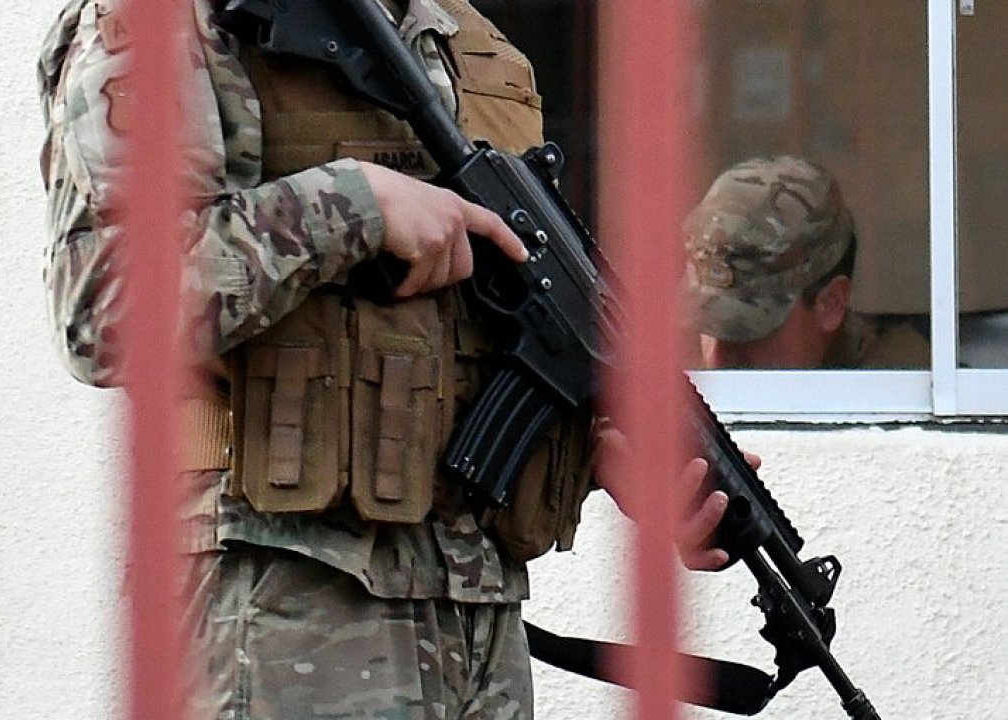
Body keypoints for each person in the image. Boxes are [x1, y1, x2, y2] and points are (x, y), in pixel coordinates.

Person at [39, 1, 734, 717]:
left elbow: (458, 342)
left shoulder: (475, 46)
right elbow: (101, 306)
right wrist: (351, 207)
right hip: (280, 599)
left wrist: (594, 456)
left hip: (479, 622)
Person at [683, 155, 930, 369]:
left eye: (744, 332)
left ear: (832, 303)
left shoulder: (900, 391)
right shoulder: (689, 382)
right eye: (707, 326)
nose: (716, 359)